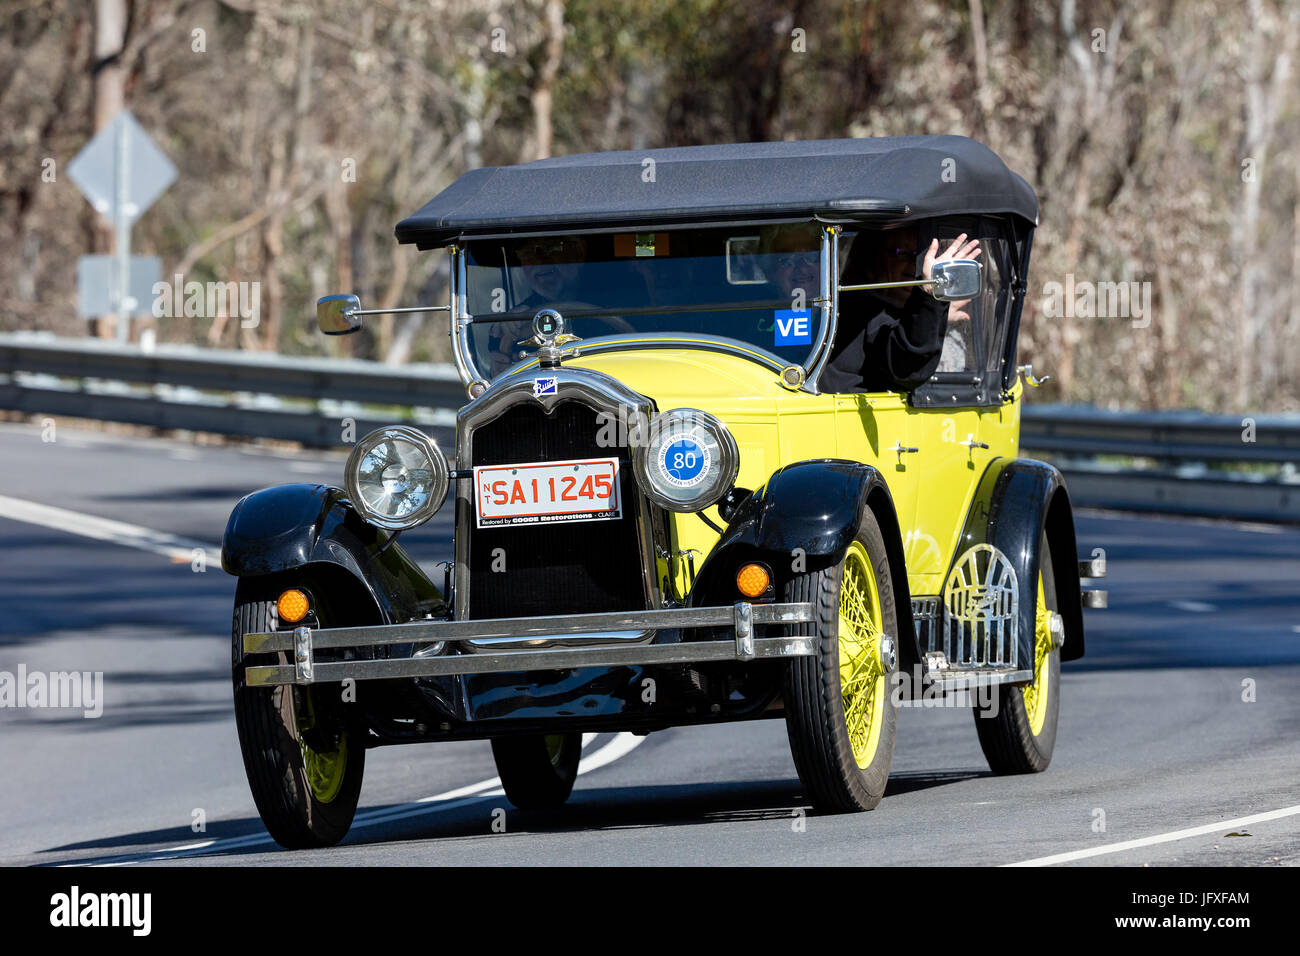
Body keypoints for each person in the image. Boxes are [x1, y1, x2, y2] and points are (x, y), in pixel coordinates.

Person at [822, 227, 981, 393]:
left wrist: (937, 316)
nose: (915, 266)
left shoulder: (922, 312)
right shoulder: (861, 312)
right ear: (871, 258)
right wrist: (930, 295)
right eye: (902, 254)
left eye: (919, 256)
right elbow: (908, 367)